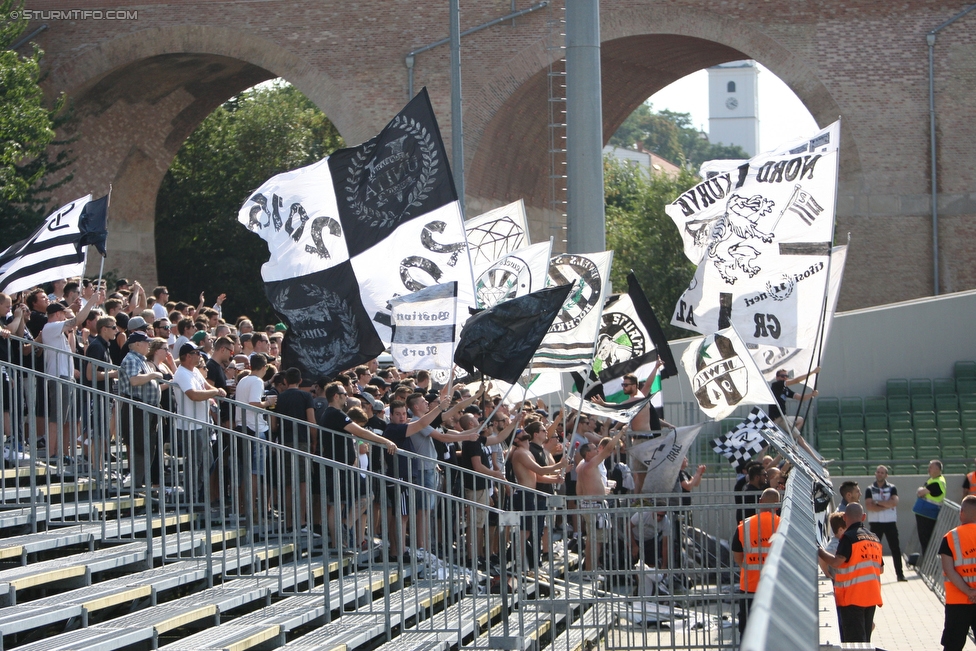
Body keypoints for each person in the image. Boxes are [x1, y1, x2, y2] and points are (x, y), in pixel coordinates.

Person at [818, 503, 884, 644]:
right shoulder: (874, 538)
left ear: (845, 517)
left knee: (854, 642)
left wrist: (819, 551)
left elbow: (837, 562)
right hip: (871, 596)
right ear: (864, 517)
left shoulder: (848, 537)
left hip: (852, 597)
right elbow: (881, 569)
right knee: (865, 641)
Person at [117, 331, 164, 491]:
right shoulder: (131, 358)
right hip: (137, 408)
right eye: (145, 342)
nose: (148, 345)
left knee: (147, 446)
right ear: (137, 344)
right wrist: (152, 375)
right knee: (139, 445)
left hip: (147, 408)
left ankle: (141, 482)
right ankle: (137, 484)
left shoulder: (141, 360)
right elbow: (134, 380)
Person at [732, 487, 781, 636]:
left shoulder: (744, 526)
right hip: (775, 586)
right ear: (778, 505)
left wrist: (748, 567)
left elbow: (737, 556)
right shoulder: (784, 525)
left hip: (749, 586)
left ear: (760, 502)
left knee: (748, 631)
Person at [576, 429, 626, 573]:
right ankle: (590, 570)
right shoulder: (590, 464)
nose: (597, 451)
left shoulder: (581, 466)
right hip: (594, 505)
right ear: (588, 453)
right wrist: (621, 433)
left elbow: (579, 490)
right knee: (595, 540)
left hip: (590, 504)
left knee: (593, 539)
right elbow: (608, 448)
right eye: (594, 449)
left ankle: (590, 568)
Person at [939, 495, 976, 651]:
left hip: (957, 601)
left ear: (961, 512)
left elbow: (949, 570)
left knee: (953, 646)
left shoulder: (950, 537)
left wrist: (968, 591)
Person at [865, 465, 906, 582]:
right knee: (873, 549)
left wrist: (877, 503)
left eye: (882, 473)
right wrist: (886, 505)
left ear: (886, 475)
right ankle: (872, 574)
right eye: (878, 472)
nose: (879, 474)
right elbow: (869, 506)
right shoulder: (870, 489)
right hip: (875, 523)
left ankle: (900, 574)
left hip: (890, 522)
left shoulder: (892, 488)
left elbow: (894, 502)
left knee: (895, 549)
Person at [768, 366, 819, 436]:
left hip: (783, 417)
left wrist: (811, 394)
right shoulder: (776, 385)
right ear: (777, 377)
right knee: (799, 438)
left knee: (800, 420)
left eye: (786, 376)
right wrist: (813, 372)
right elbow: (796, 381)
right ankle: (793, 437)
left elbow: (800, 397)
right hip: (777, 418)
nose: (785, 378)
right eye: (782, 376)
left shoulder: (785, 389)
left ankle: (791, 437)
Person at [916, 459, 947, 555]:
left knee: (926, 541)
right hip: (926, 513)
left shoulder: (937, 482)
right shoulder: (932, 480)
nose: (928, 469)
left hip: (928, 514)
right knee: (924, 540)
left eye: (930, 467)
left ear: (937, 469)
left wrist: (921, 490)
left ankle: (928, 563)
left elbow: (920, 492)